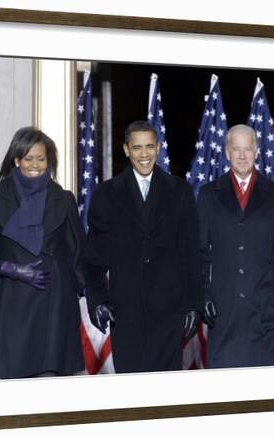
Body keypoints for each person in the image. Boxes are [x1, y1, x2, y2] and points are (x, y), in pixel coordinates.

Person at [84, 120, 202, 373]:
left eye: (150, 146)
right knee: (131, 391)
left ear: (158, 148)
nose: (144, 154)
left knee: (166, 392)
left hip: (169, 312)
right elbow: (94, 256)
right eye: (137, 148)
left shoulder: (180, 191)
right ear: (126, 150)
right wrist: (97, 301)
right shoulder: (106, 194)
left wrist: (194, 303)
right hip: (125, 312)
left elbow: (191, 253)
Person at [197, 124, 274, 368]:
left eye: (247, 149)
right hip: (223, 310)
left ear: (256, 151)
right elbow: (199, 253)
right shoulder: (208, 195)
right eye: (236, 149)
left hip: (264, 308)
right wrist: (202, 295)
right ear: (226, 152)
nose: (242, 155)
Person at [0, 127, 86, 379]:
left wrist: (89, 295)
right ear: (16, 159)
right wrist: (10, 269)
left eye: (41, 158)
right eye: (28, 158)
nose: (35, 164)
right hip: (12, 306)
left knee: (50, 390)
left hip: (55, 309)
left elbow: (79, 253)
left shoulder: (64, 199)